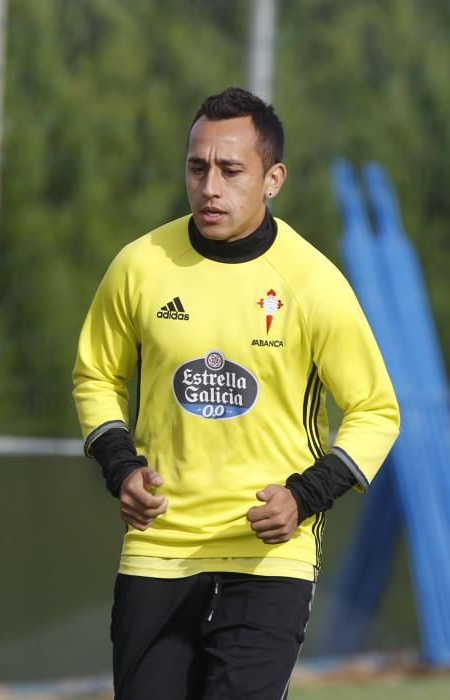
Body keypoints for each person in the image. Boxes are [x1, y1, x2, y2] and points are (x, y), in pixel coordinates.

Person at [72, 87, 399, 699]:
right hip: (158, 549)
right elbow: (96, 375)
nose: (210, 187)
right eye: (197, 168)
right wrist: (121, 468)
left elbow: (375, 410)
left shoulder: (314, 282)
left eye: (230, 170)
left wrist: (306, 497)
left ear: (273, 178)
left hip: (269, 556)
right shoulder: (139, 266)